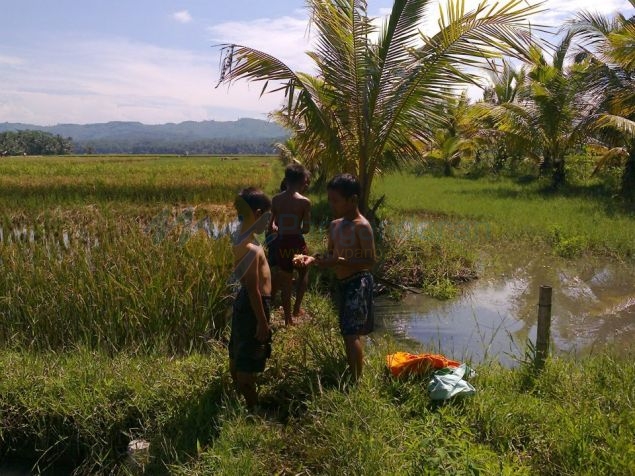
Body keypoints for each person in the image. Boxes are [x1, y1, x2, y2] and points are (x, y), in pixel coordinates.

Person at [303, 173, 376, 380]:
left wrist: (341, 262)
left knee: (351, 332)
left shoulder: (362, 227)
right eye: (330, 200)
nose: (332, 204)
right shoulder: (335, 225)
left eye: (336, 200)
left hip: (358, 281)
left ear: (352, 200)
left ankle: (355, 381)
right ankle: (353, 372)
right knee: (347, 330)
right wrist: (313, 260)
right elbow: (330, 255)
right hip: (342, 282)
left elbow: (370, 261)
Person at [230, 187, 273, 408]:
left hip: (245, 303)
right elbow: (253, 288)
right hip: (253, 304)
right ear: (257, 214)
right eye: (267, 216)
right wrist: (263, 322)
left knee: (239, 350)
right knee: (248, 361)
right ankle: (254, 411)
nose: (269, 222)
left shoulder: (243, 238)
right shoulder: (250, 247)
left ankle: (240, 402)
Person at [268, 164, 311, 325]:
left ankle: (287, 319)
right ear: (302, 181)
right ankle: (297, 308)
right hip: (297, 243)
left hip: (282, 243)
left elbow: (271, 226)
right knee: (303, 273)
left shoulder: (276, 199)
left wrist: (280, 228)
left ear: (286, 180)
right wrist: (296, 228)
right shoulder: (305, 202)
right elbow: (306, 229)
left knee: (286, 280)